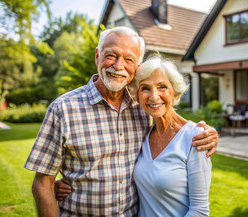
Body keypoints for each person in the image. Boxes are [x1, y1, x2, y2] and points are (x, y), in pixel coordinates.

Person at [24, 26, 218, 216]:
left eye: (128, 59)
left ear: (137, 65)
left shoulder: (141, 108)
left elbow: (174, 129)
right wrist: (52, 187)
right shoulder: (63, 109)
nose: (118, 66)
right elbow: (42, 184)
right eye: (111, 55)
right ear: (97, 56)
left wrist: (207, 133)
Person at [132, 55, 211, 216]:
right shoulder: (143, 135)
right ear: (138, 95)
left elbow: (200, 210)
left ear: (174, 92)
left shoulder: (195, 137)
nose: (154, 96)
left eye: (162, 87)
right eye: (145, 88)